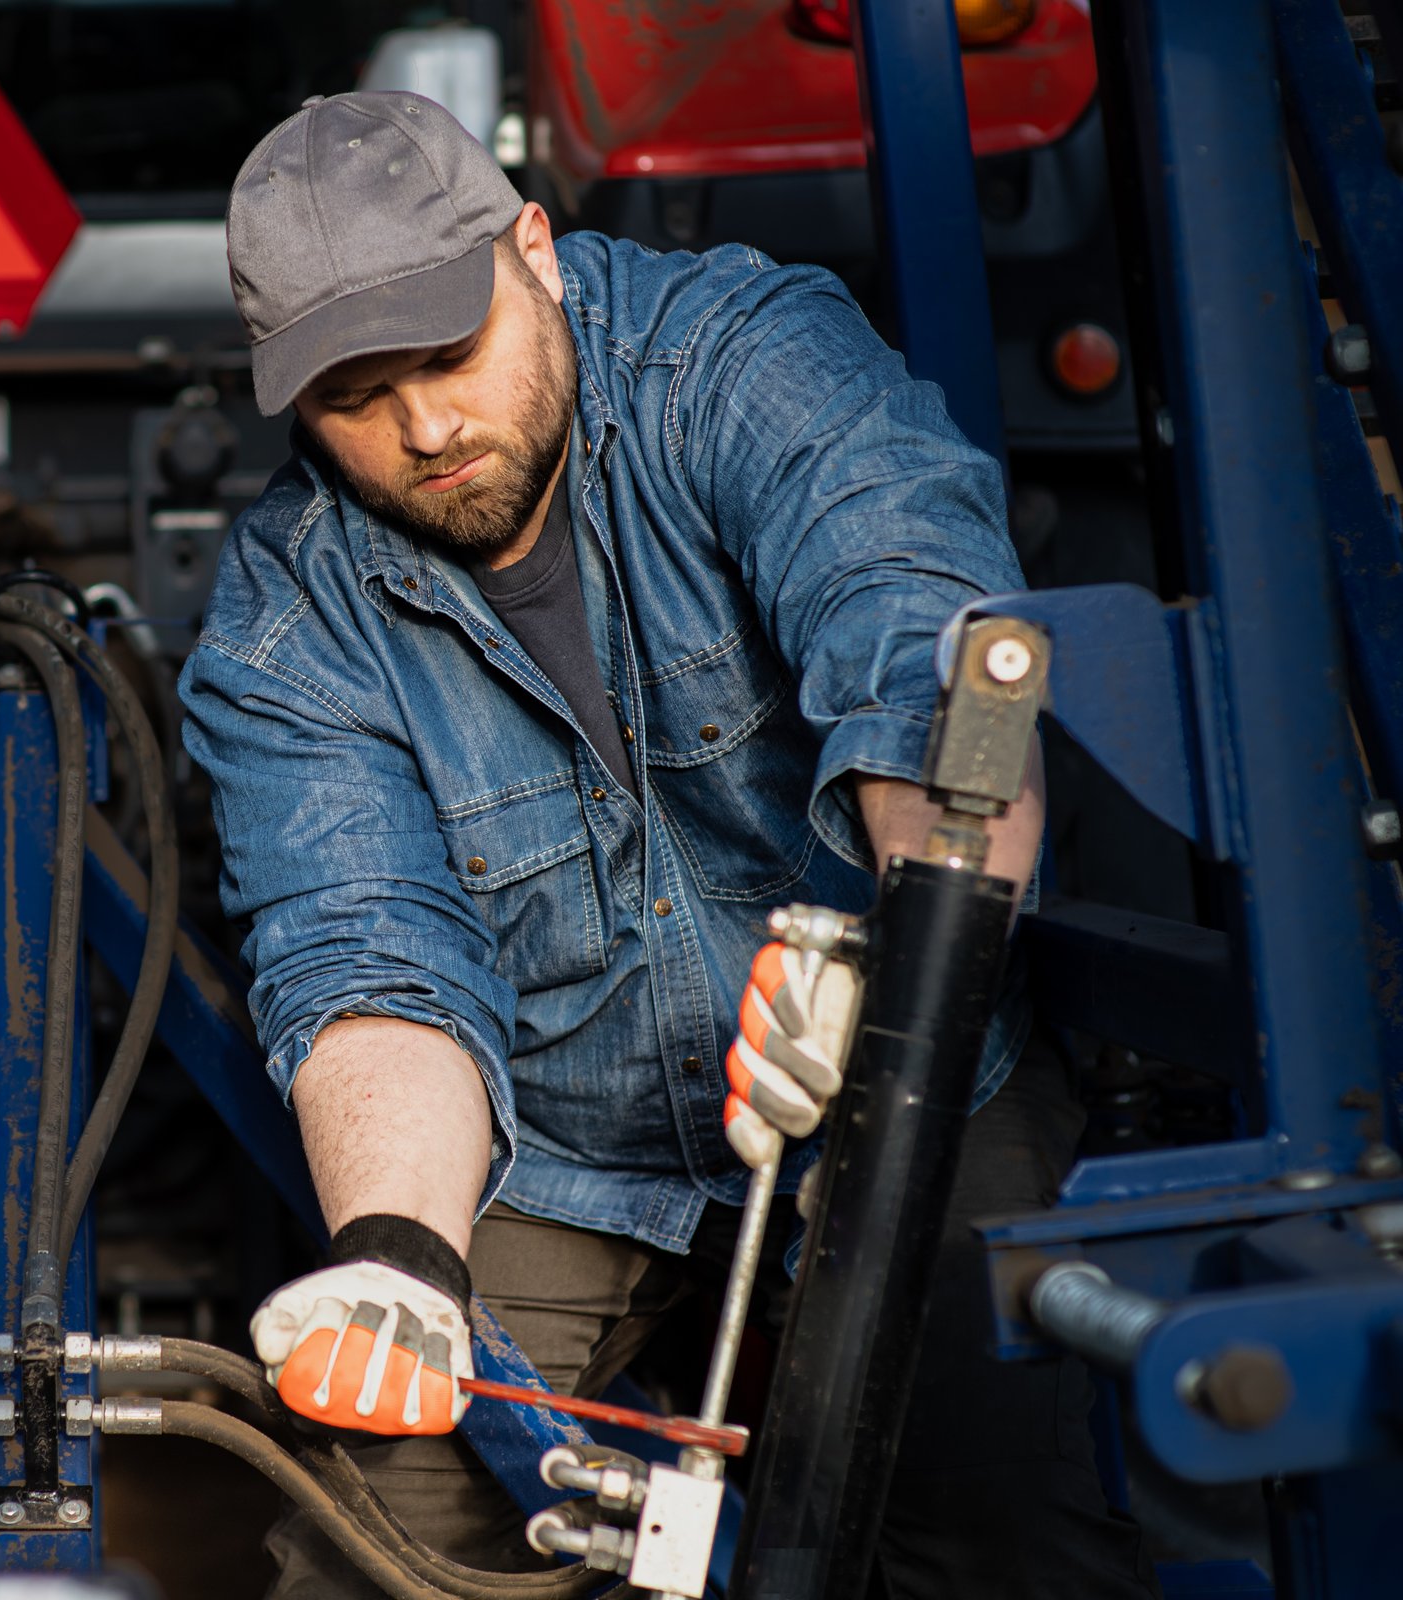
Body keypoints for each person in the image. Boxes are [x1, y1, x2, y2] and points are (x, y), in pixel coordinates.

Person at [178, 90, 1156, 1598]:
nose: (426, 430)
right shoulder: (285, 623)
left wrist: (903, 978)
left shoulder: (741, 363)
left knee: (1009, 1542)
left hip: (905, 1071)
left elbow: (927, 650)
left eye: (448, 356)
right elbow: (365, 955)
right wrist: (402, 1257)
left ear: (534, 250)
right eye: (355, 399)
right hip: (565, 1154)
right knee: (382, 1559)